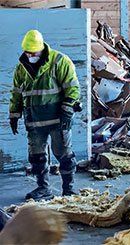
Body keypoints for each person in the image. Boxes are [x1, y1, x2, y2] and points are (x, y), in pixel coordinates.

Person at [9, 30, 81, 200]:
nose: (30, 55)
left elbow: (73, 88)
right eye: (28, 52)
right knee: (37, 156)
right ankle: (43, 188)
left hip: (58, 119)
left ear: (41, 49)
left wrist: (67, 110)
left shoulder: (59, 61)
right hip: (34, 121)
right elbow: (16, 93)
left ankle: (68, 190)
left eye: (33, 52)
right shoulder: (21, 68)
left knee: (64, 154)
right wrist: (14, 114)